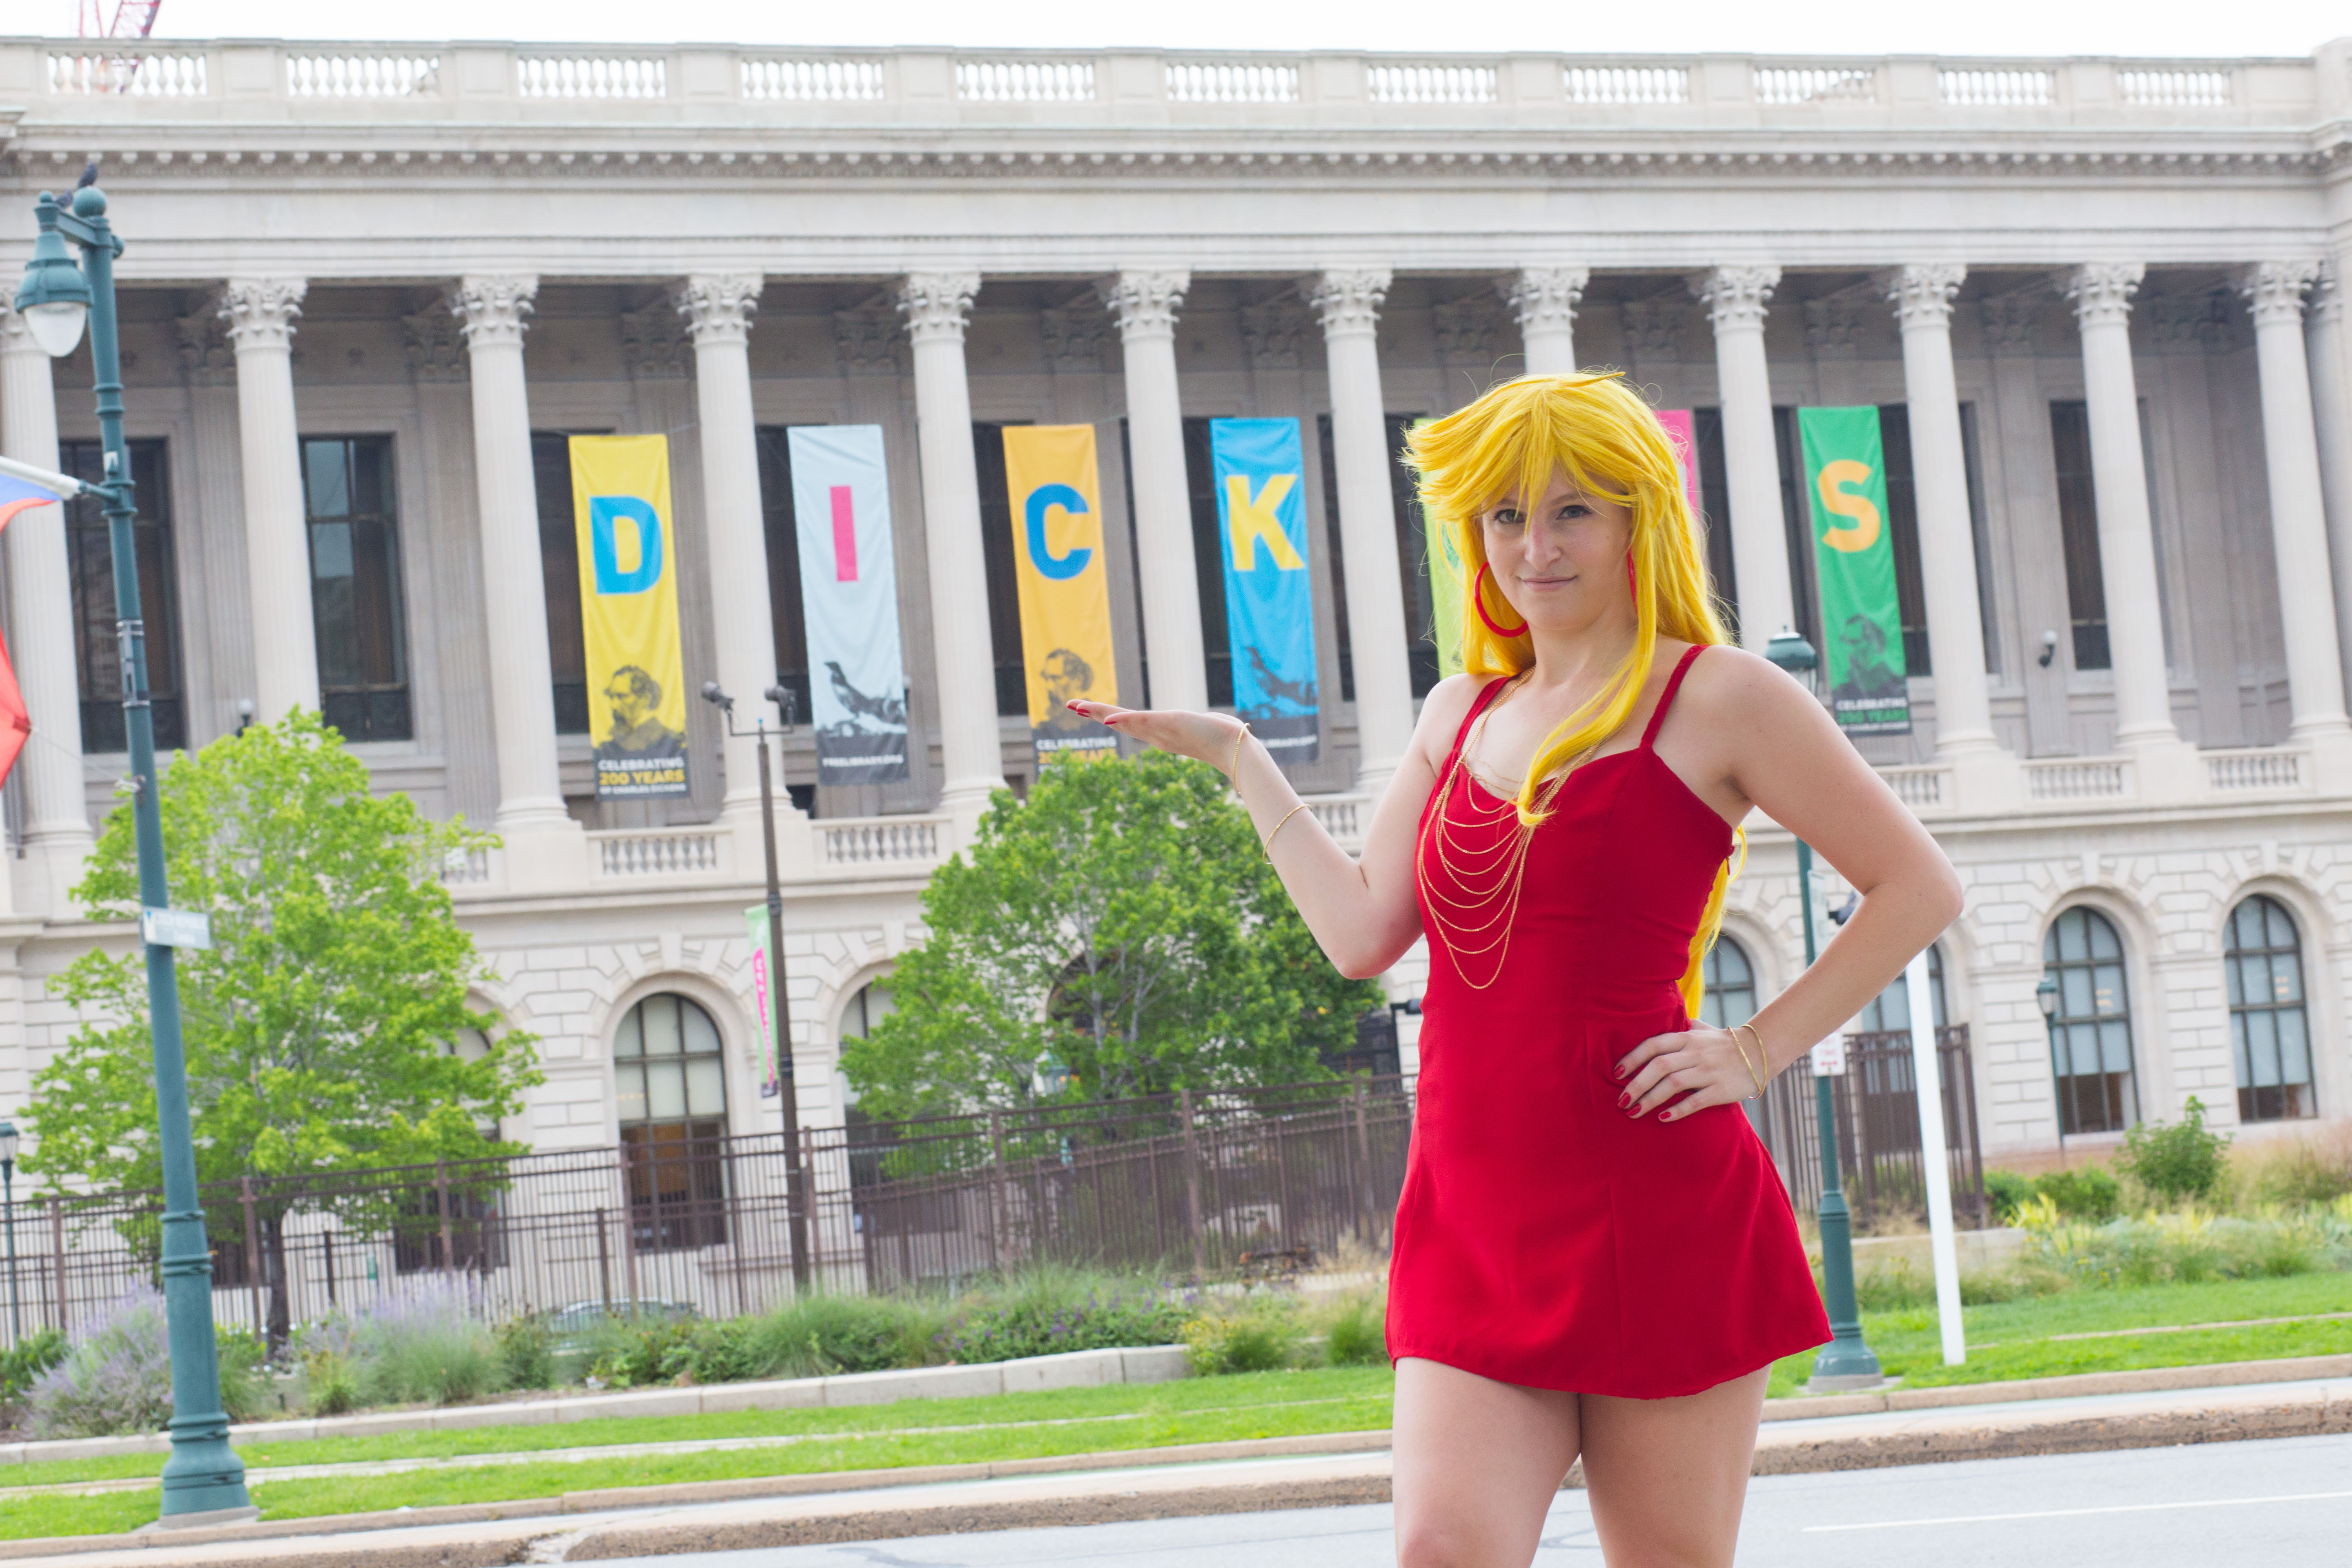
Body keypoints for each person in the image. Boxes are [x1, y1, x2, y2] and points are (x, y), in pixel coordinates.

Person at [1068, 372, 1961, 1568]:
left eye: (1572, 511)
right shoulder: (1458, 712)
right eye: (1504, 516)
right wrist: (1240, 758)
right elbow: (1361, 935)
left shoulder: (1724, 697)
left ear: (1640, 520)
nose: (1534, 547)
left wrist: (1754, 1051)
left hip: (1656, 1201)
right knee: (1442, 1550)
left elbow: (1919, 887)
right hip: (1474, 1210)